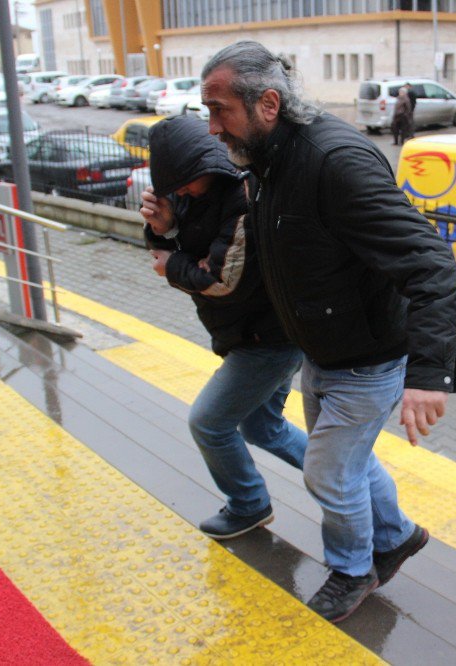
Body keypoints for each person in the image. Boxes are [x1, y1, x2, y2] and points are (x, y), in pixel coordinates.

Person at [201, 41, 456, 623]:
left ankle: (353, 570)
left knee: (328, 470)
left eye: (219, 109)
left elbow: (431, 263)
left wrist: (429, 375)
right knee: (347, 462)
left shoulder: (332, 161)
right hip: (323, 354)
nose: (212, 125)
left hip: (370, 359)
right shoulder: (270, 161)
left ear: (267, 103)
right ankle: (396, 536)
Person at [140, 115, 308, 541]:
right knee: (261, 427)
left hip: (267, 337)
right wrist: (163, 229)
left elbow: (220, 277)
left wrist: (173, 264)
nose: (178, 193)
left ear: (202, 170)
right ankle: (342, 474)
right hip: (249, 332)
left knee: (208, 422)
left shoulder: (239, 193)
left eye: (183, 184)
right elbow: (193, 254)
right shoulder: (198, 193)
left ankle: (250, 504)